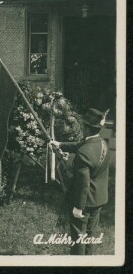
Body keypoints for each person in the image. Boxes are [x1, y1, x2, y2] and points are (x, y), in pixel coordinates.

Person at [50, 108, 111, 255]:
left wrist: (78, 207)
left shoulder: (84, 152)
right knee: (90, 235)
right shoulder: (102, 143)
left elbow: (83, 184)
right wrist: (60, 144)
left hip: (84, 202)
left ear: (85, 128)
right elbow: (80, 145)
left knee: (78, 237)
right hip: (99, 198)